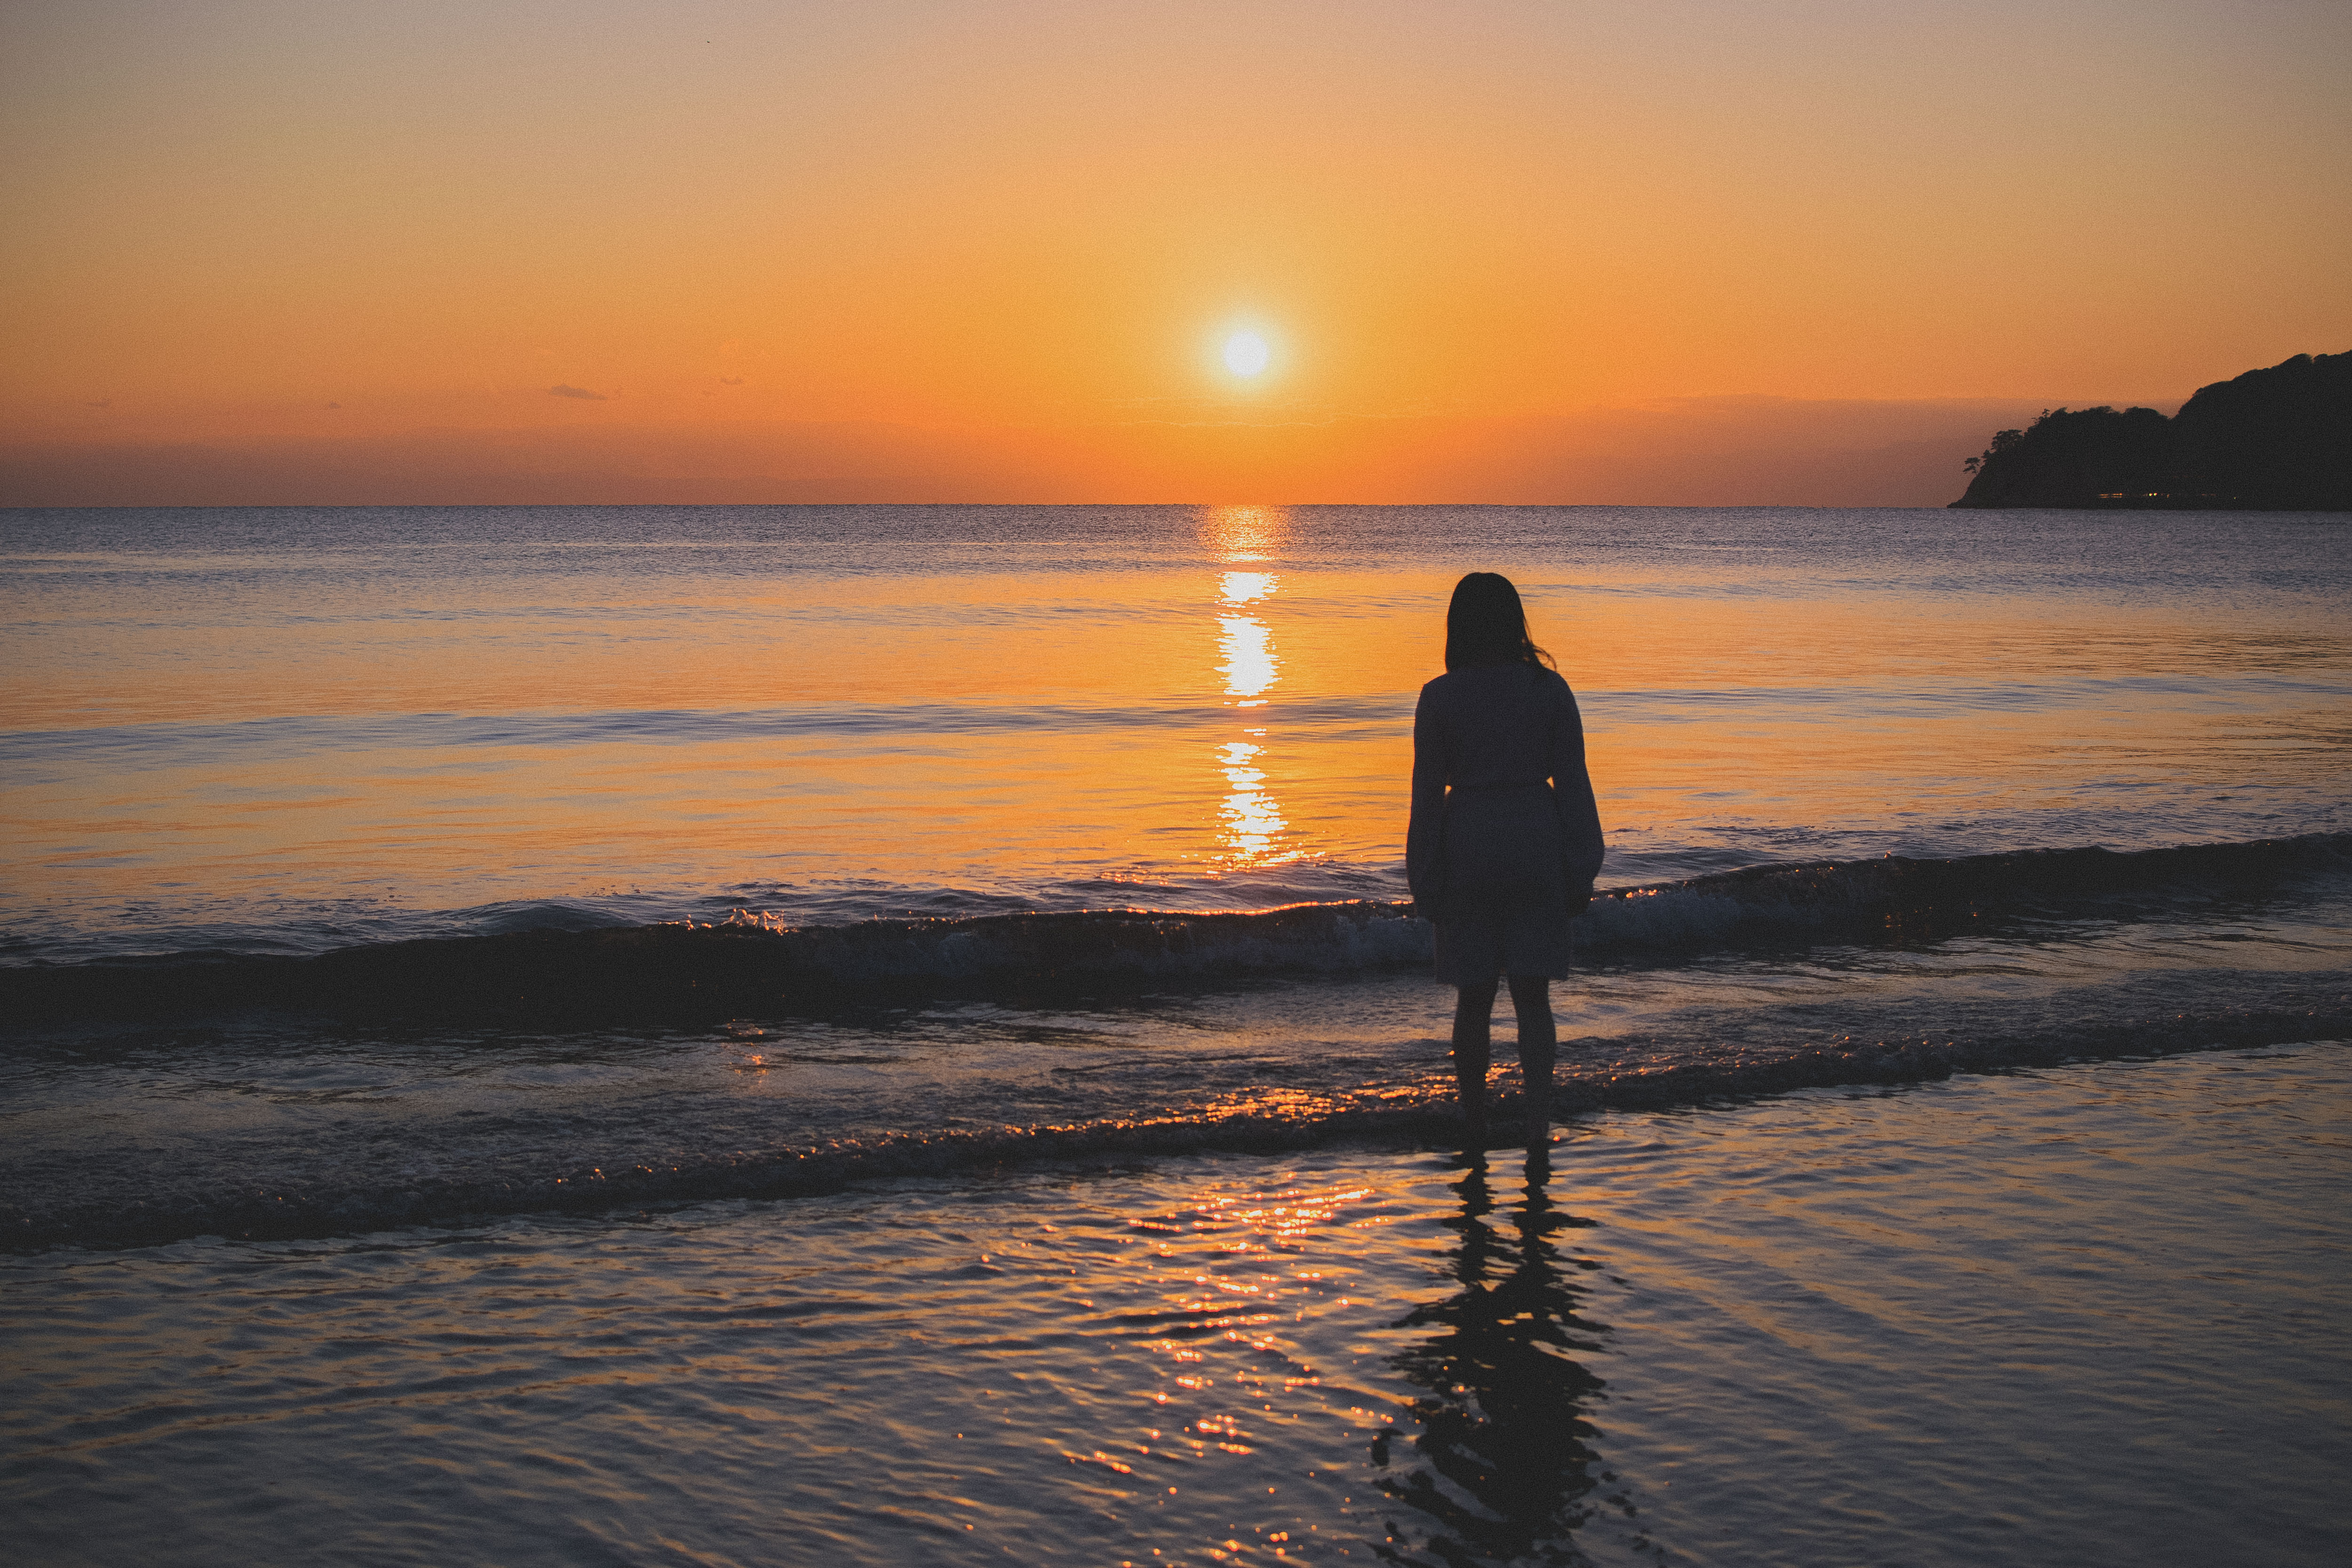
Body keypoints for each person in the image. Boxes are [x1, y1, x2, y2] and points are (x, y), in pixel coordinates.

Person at [1406, 572, 1605, 1149]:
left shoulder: (1439, 696)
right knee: (1532, 998)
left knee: (1474, 1000)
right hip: (1533, 839)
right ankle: (1537, 1125)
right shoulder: (1548, 690)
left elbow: (1425, 797)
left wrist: (1424, 877)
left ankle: (1475, 1126)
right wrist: (1581, 865)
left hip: (1467, 838)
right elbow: (1574, 786)